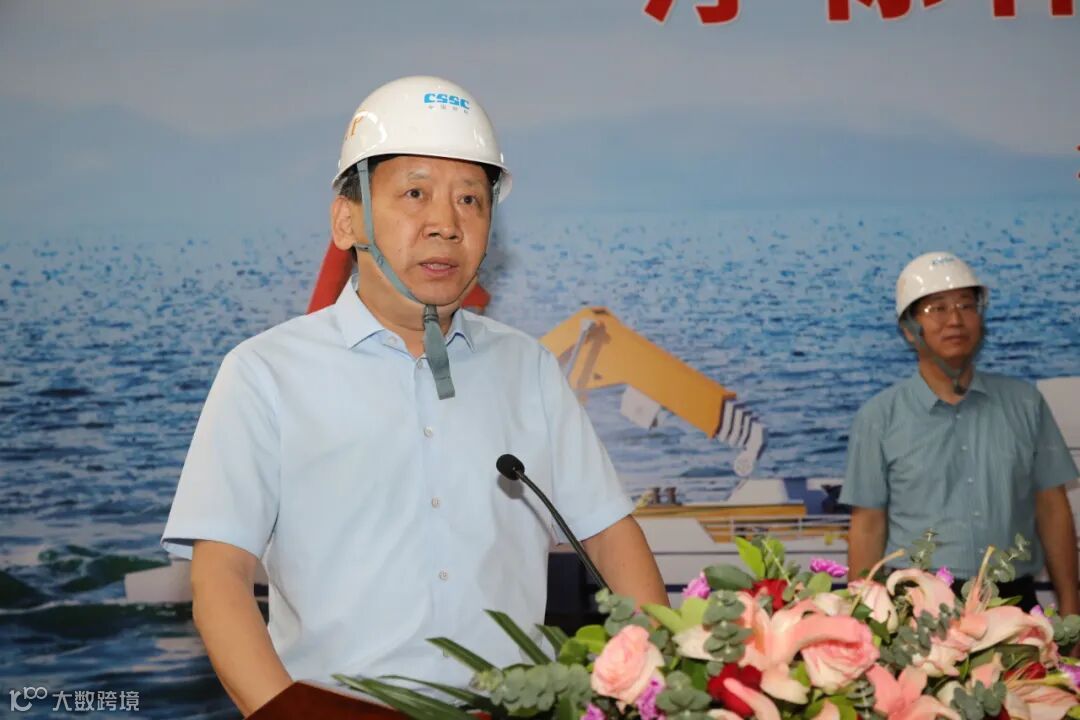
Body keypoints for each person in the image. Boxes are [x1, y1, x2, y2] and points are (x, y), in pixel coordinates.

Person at [161, 76, 667, 716]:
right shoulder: (265, 373)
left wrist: (664, 684)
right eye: (415, 194)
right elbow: (219, 579)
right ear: (347, 220)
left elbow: (611, 537)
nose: (446, 225)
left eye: (470, 200)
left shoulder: (528, 368)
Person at [841, 251, 1078, 613]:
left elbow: (1052, 508)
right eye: (936, 308)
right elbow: (868, 526)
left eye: (966, 306)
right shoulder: (878, 418)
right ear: (909, 329)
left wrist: (1071, 603)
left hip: (1013, 606)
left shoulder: (1025, 404)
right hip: (916, 612)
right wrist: (861, 617)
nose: (955, 319)